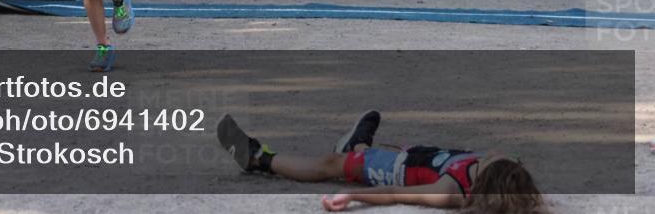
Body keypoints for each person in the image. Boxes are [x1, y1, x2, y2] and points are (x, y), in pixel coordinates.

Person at [216, 111, 544, 213]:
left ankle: (258, 158)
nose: (492, 153)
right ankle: (357, 144)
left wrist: (353, 195)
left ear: (481, 181)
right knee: (358, 152)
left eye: (489, 160)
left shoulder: (450, 190)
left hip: (393, 171)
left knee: (329, 164)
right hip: (419, 155)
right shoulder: (510, 175)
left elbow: (397, 194)